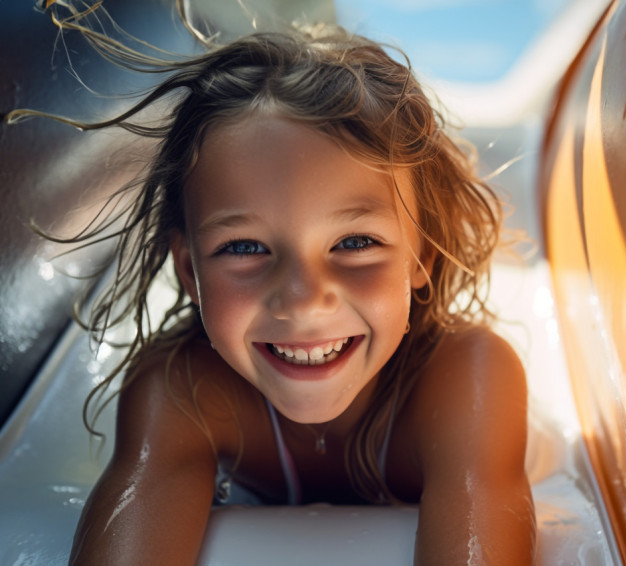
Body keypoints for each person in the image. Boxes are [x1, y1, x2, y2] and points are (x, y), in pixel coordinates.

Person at [7, 8, 535, 565]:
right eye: (244, 248)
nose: (305, 298)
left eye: (355, 243)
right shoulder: (185, 392)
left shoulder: (465, 379)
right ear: (189, 272)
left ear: (420, 255)